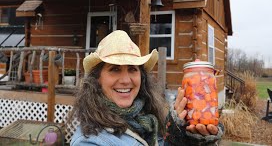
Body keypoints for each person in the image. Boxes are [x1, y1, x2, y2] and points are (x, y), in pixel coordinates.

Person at [69, 30, 224, 146]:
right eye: (115, 69)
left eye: (132, 69)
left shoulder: (149, 121)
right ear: (97, 79)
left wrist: (185, 137)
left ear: (141, 77)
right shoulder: (89, 142)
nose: (125, 80)